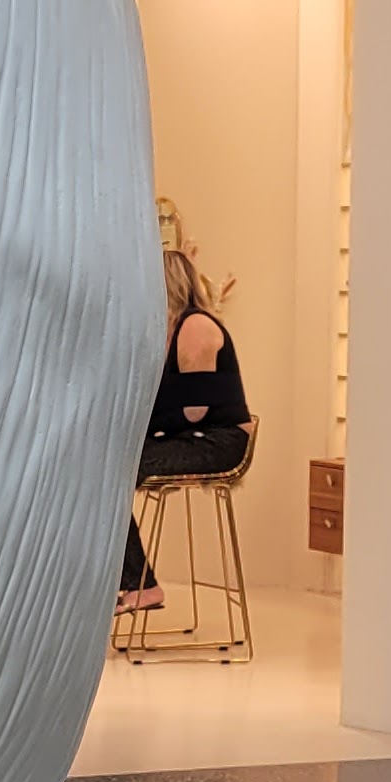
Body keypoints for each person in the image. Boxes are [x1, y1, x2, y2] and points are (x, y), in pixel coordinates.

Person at [120, 240, 251, 610]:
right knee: (103, 471)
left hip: (219, 443)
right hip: (198, 437)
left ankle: (141, 584)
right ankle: (135, 581)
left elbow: (193, 410)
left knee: (110, 475)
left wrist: (142, 428)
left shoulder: (195, 326)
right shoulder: (173, 328)